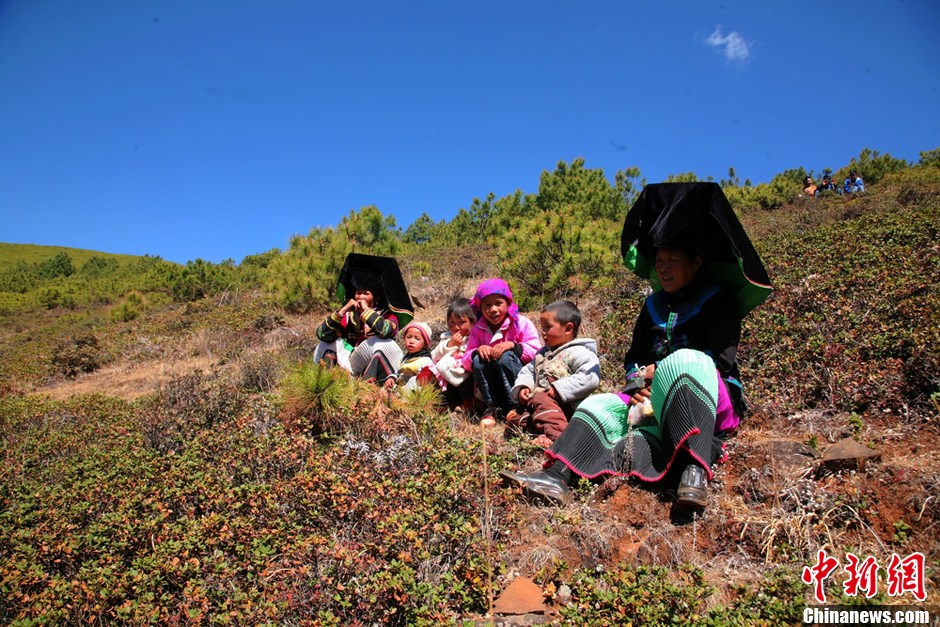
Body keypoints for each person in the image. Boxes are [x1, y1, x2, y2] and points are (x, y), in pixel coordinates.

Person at [500, 244, 745, 509]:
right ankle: (557, 476)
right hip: (653, 397)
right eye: (659, 260)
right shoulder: (653, 304)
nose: (662, 267)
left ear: (696, 262)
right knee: (596, 404)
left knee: (687, 359)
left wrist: (662, 369)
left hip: (705, 394)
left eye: (672, 258)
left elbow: (721, 358)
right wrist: (637, 383)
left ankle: (693, 470)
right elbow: (634, 357)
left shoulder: (718, 298)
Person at [507, 300, 601, 447]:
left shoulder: (580, 353)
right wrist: (524, 386)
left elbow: (590, 378)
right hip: (542, 406)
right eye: (542, 327)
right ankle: (544, 431)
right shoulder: (542, 353)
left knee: (540, 399)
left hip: (567, 407)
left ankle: (558, 438)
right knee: (515, 419)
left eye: (547, 327)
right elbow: (528, 371)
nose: (542, 332)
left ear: (568, 329)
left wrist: (560, 388)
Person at [462, 278, 541, 426]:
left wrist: (513, 346)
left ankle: (516, 405)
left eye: (498, 303)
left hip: (518, 380)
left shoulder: (520, 323)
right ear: (480, 307)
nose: (493, 309)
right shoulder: (478, 329)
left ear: (508, 303)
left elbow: (537, 351)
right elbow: (466, 361)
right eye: (487, 305)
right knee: (478, 360)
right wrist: (477, 351)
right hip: (492, 384)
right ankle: (493, 407)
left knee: (505, 357)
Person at [313, 277, 403, 386]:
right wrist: (343, 309)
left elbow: (387, 332)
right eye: (358, 293)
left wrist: (366, 311)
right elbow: (322, 334)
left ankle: (373, 389)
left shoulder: (387, 316)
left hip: (372, 364)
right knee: (326, 343)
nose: (361, 297)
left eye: (366, 293)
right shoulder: (347, 316)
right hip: (351, 363)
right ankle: (326, 386)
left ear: (376, 298)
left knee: (382, 343)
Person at [430, 298, 477, 411]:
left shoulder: (474, 338)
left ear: (473, 322)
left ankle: (469, 402)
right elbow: (434, 356)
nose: (456, 327)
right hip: (448, 378)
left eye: (462, 322)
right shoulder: (446, 338)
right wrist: (451, 344)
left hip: (467, 377)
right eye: (452, 322)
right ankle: (446, 404)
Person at [390, 321, 435, 391]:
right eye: (408, 337)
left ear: (425, 344)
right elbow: (397, 372)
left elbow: (423, 383)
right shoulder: (406, 358)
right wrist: (392, 378)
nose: (411, 341)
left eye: (417, 338)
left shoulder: (425, 361)